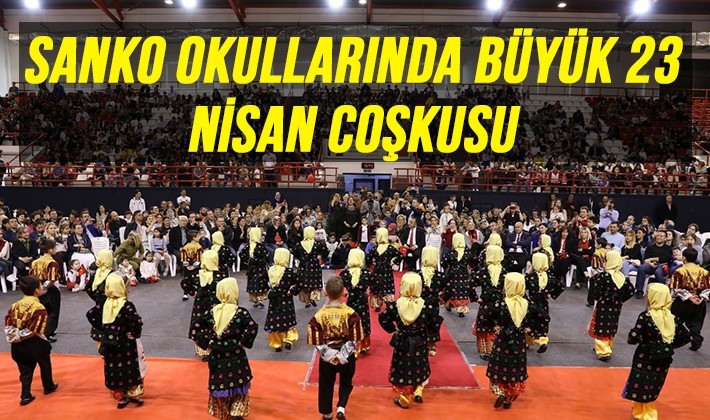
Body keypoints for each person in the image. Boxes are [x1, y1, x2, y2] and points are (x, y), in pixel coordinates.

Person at [622, 283, 691, 420]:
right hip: (663, 358)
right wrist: (668, 346)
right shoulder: (672, 318)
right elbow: (686, 337)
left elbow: (633, 337)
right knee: (654, 382)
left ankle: (641, 413)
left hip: (645, 355)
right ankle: (649, 412)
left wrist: (637, 339)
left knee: (640, 382)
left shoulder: (646, 316)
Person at [194, 277, 258, 420]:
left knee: (220, 385)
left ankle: (224, 414)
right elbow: (252, 327)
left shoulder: (211, 312)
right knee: (239, 385)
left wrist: (207, 342)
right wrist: (242, 342)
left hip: (217, 357)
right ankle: (237, 412)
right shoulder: (241, 313)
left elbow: (196, 326)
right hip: (236, 356)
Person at [307, 276, 364, 420]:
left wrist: (330, 355)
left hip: (327, 357)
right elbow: (355, 338)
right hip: (347, 356)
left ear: (326, 292)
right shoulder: (351, 314)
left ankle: (327, 413)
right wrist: (342, 355)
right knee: (346, 382)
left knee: (326, 384)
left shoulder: (319, 316)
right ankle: (341, 408)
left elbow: (316, 340)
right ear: (344, 292)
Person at [86, 273, 145, 409]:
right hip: (126, 343)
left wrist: (102, 328)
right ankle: (132, 393)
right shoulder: (126, 305)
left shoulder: (104, 304)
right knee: (129, 367)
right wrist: (134, 333)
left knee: (114, 368)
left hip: (110, 343)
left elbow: (90, 314)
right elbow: (137, 321)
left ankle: (120, 397)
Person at [379, 272, 435, 409]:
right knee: (419, 365)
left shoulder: (395, 305)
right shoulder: (426, 306)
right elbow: (433, 324)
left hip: (402, 341)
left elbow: (383, 318)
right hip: (420, 341)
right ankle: (418, 391)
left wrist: (393, 329)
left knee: (403, 367)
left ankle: (404, 398)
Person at [4, 275, 59, 406]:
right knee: (44, 363)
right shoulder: (39, 308)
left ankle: (25, 395)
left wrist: (15, 337)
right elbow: (36, 330)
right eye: (41, 286)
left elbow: (8, 323)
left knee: (25, 370)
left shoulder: (14, 306)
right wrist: (22, 336)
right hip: (35, 343)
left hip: (17, 345)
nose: (42, 287)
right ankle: (48, 386)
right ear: (36, 290)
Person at [485, 272, 529, 410]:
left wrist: (494, 326)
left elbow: (486, 314)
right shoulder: (528, 304)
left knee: (497, 370)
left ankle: (500, 392)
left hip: (503, 341)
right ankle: (509, 399)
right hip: (519, 343)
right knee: (515, 372)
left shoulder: (500, 304)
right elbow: (544, 317)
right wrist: (530, 329)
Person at [587, 250, 636, 361]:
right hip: (616, 307)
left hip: (603, 307)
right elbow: (630, 291)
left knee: (601, 327)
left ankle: (603, 352)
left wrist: (599, 298)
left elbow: (596, 293)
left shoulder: (603, 276)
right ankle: (607, 346)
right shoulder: (622, 278)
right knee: (611, 326)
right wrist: (620, 300)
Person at [669, 248, 710, 351]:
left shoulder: (679, 271)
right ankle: (696, 340)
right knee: (696, 323)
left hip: (683, 301)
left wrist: (690, 297)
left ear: (684, 258)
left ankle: (673, 341)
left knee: (675, 321)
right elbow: (708, 288)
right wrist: (701, 298)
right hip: (699, 301)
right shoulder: (704, 272)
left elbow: (676, 288)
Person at [184, 250, 222, 360]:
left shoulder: (197, 274)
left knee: (200, 325)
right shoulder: (219, 275)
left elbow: (184, 283)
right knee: (213, 326)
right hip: (215, 305)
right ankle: (214, 349)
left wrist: (193, 293)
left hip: (199, 305)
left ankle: (203, 351)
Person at [525, 253, 564, 353]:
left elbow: (523, 286)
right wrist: (552, 294)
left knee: (529, 321)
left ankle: (527, 342)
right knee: (543, 321)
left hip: (532, 303)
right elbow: (560, 286)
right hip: (544, 303)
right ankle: (543, 340)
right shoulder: (550, 277)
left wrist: (528, 272)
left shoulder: (531, 277)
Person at [472, 244, 505, 360]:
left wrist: (475, 298)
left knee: (484, 328)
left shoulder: (482, 273)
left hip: (486, 305)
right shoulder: (505, 273)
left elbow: (470, 285)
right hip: (501, 305)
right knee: (499, 326)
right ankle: (498, 349)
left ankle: (486, 351)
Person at [265, 248, 299, 352]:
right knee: (288, 320)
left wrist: (269, 291)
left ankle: (277, 344)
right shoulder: (289, 272)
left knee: (275, 321)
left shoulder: (270, 270)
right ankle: (289, 340)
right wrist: (292, 291)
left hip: (274, 301)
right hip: (286, 299)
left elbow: (264, 282)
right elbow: (299, 282)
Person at [340, 248, 373, 356]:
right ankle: (363, 345)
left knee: (350, 320)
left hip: (350, 301)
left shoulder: (344, 273)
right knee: (363, 321)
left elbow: (338, 287)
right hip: (363, 302)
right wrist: (368, 292)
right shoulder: (367, 273)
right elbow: (375, 285)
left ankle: (351, 344)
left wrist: (345, 293)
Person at [29, 238, 62, 343]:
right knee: (53, 311)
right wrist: (44, 288)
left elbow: (31, 276)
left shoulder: (35, 262)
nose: (56, 250)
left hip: (36, 287)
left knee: (42, 311)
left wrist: (38, 289)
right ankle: (48, 333)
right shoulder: (52, 263)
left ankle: (42, 330)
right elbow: (52, 278)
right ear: (50, 250)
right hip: (49, 288)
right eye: (55, 248)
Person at [366, 227, 402, 312]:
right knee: (387, 286)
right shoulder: (390, 248)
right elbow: (400, 255)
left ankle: (377, 305)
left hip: (377, 270)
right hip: (387, 270)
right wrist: (393, 262)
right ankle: (389, 304)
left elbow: (368, 258)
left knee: (376, 287)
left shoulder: (374, 248)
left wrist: (372, 263)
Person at [417, 246, 444, 357]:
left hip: (419, 305)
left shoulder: (416, 275)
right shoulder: (440, 276)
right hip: (433, 306)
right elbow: (447, 289)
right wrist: (441, 298)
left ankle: (419, 344)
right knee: (432, 324)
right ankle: (431, 346)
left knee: (419, 323)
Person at [293, 226, 328, 308]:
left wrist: (301, 258)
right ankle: (313, 298)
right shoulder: (318, 244)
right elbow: (325, 251)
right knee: (314, 283)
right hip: (314, 266)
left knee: (304, 283)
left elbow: (295, 252)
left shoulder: (299, 244)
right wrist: (320, 255)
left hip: (304, 266)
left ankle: (307, 300)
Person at [441, 233, 474, 317]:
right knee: (462, 291)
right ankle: (461, 309)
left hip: (453, 276)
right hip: (464, 276)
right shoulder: (468, 253)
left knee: (451, 290)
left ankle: (449, 305)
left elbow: (443, 263)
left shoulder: (451, 254)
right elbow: (474, 262)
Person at [239, 227, 270, 308]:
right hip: (260, 269)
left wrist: (248, 261)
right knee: (260, 283)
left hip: (251, 270)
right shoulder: (261, 247)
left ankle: (255, 299)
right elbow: (266, 256)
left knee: (253, 284)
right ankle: (260, 299)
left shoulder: (248, 246)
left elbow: (241, 254)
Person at [180, 231, 203, 301]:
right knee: (198, 280)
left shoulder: (185, 247)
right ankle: (199, 293)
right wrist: (194, 266)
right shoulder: (198, 247)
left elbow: (183, 258)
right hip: (196, 266)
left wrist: (187, 266)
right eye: (198, 236)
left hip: (187, 266)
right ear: (194, 238)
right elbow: (199, 258)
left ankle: (185, 294)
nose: (199, 237)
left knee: (186, 279)